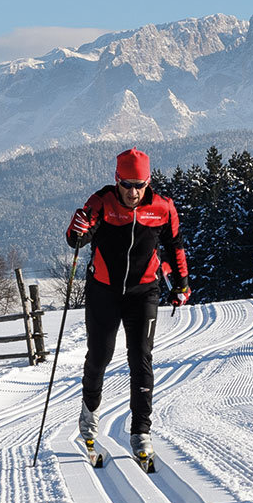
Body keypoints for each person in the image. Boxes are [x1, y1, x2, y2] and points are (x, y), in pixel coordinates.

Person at [65, 148, 190, 470]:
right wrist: (76, 229)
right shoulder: (101, 202)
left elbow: (175, 247)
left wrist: (182, 284)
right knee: (100, 356)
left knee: (141, 358)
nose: (133, 192)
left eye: (139, 184)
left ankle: (141, 433)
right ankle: (88, 418)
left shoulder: (163, 208)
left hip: (143, 292)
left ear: (148, 181)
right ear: (116, 180)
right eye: (126, 184)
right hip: (103, 291)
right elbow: (77, 239)